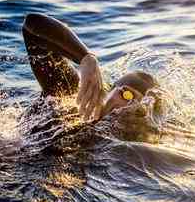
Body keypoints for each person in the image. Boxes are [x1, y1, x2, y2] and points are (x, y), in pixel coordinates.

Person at [22, 13, 158, 122]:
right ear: (108, 90)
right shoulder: (67, 96)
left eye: (139, 108)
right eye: (127, 95)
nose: (129, 107)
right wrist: (86, 57)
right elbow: (32, 24)